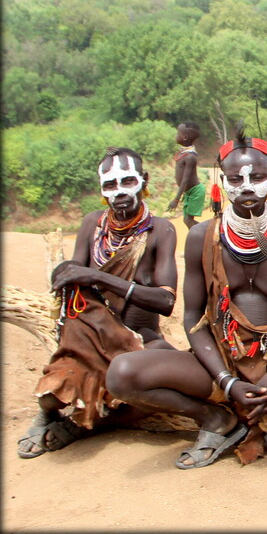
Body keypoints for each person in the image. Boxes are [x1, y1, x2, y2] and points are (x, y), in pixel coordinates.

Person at [106, 129, 267, 473]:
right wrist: (227, 382)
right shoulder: (202, 237)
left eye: (257, 176)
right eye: (236, 178)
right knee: (122, 375)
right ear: (222, 182)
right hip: (219, 364)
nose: (246, 186)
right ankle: (215, 418)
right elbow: (192, 319)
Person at [17, 147, 178, 459]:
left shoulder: (160, 230)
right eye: (110, 185)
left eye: (127, 181)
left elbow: (166, 300)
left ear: (143, 181)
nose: (119, 192)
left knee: (176, 389)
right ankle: (48, 417)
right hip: (91, 339)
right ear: (102, 190)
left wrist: (102, 278)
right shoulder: (92, 224)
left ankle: (83, 427)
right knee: (52, 394)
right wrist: (64, 274)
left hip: (142, 343)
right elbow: (71, 278)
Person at [167, 121, 205, 229]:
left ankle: (205, 234)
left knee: (188, 220)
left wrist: (176, 199)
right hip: (189, 192)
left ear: (184, 137)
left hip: (195, 192)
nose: (176, 135)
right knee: (186, 220)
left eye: (178, 133)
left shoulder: (190, 157)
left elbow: (185, 180)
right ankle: (200, 237)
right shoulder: (184, 154)